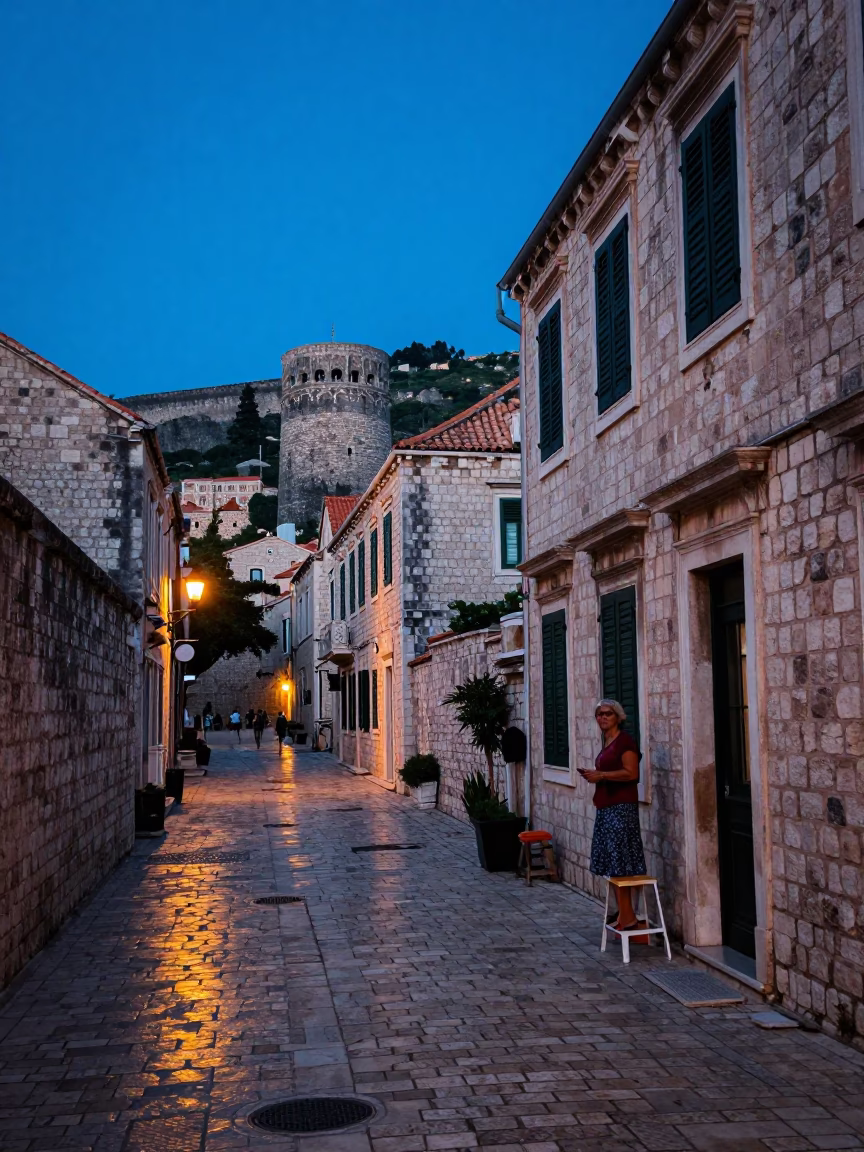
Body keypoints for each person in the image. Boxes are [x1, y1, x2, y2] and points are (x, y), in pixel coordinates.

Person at [578, 699, 648, 941]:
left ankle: (628, 917)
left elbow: (632, 773)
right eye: (599, 714)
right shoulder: (607, 741)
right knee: (613, 864)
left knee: (622, 862)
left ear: (618, 716)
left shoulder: (625, 742)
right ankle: (623, 914)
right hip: (607, 808)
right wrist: (596, 776)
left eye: (607, 714)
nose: (603, 718)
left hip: (621, 809)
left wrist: (602, 775)